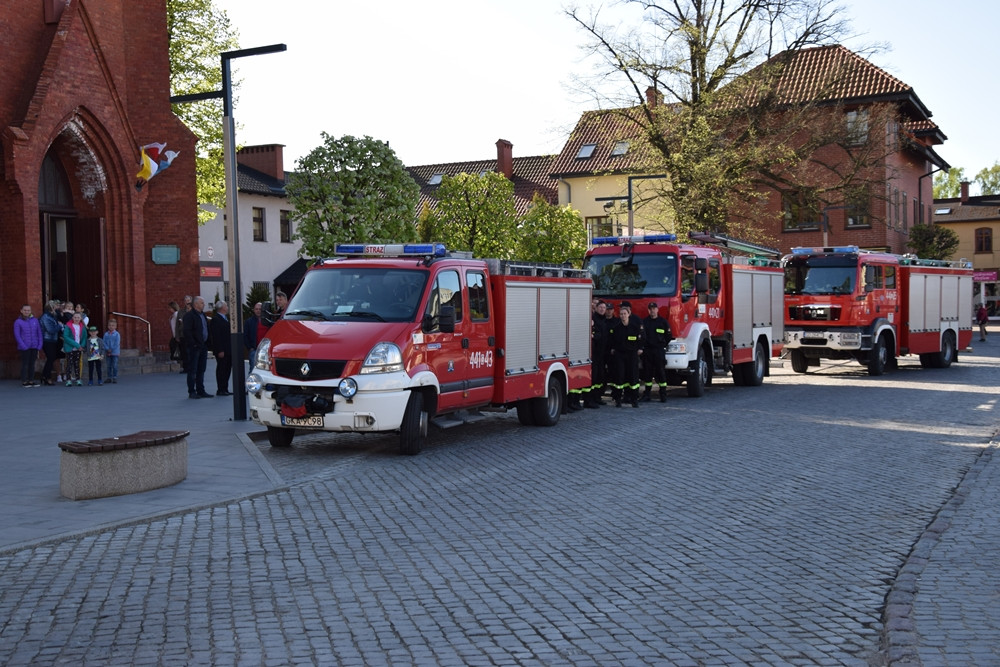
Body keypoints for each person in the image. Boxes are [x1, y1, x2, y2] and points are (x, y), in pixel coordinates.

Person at [609, 301, 643, 408]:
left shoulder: (634, 327)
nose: (623, 316)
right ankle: (618, 399)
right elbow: (612, 340)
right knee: (619, 377)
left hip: (632, 355)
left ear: (629, 314)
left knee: (633, 377)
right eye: (621, 314)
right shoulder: (616, 327)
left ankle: (634, 400)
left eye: (625, 314)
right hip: (620, 355)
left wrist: (640, 348)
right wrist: (613, 349)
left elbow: (641, 339)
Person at [641, 302, 672, 403]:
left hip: (659, 350)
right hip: (648, 350)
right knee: (647, 374)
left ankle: (663, 395)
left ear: (657, 310)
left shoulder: (663, 322)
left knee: (661, 373)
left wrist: (662, 344)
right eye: (650, 309)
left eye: (654, 309)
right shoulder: (645, 322)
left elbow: (668, 336)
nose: (652, 311)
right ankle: (647, 394)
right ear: (648, 310)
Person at [182, 296, 212, 398]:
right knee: (192, 369)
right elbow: (187, 331)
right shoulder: (189, 316)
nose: (204, 304)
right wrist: (193, 343)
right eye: (202, 303)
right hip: (194, 347)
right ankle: (192, 391)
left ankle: (201, 390)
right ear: (196, 304)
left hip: (203, 345)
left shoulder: (202, 315)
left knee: (201, 369)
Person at [584, 300, 610, 409]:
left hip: (602, 354)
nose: (602, 309)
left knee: (600, 377)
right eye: (600, 307)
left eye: (604, 308)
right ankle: (588, 400)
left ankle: (597, 398)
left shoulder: (604, 320)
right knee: (593, 378)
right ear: (596, 308)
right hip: (594, 354)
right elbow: (593, 335)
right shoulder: (593, 320)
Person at [14, 304, 43, 387]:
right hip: (24, 347)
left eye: (28, 310)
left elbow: (39, 333)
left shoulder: (35, 320)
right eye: (25, 310)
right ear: (21, 311)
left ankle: (31, 380)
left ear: (30, 311)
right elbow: (17, 335)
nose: (27, 312)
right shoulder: (18, 321)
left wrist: (39, 345)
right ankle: (24, 381)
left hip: (34, 345)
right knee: (25, 364)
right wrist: (23, 345)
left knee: (32, 364)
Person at [209, 300, 232, 396]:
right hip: (222, 350)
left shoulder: (225, 318)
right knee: (221, 369)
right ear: (222, 308)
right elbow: (216, 336)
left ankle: (225, 388)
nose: (227, 307)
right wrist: (220, 350)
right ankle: (220, 389)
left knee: (227, 369)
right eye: (226, 306)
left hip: (228, 349)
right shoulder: (216, 319)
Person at [39, 300, 63, 385]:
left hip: (53, 340)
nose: (58, 307)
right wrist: (59, 326)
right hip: (47, 340)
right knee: (51, 358)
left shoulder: (53, 316)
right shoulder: (46, 317)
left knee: (51, 358)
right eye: (56, 306)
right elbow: (51, 330)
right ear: (51, 307)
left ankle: (45, 376)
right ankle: (46, 377)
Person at [62, 311, 86, 386]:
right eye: (75, 317)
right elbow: (66, 337)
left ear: (80, 318)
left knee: (77, 364)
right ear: (72, 318)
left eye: (78, 317)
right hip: (70, 348)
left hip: (78, 348)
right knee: (69, 364)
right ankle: (68, 379)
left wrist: (81, 345)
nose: (76, 319)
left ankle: (78, 378)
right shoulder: (68, 326)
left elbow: (84, 337)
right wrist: (76, 345)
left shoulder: (82, 326)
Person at [175, 295, 192, 373]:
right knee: (184, 352)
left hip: (191, 336)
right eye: (185, 301)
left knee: (190, 352)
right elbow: (177, 325)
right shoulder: (181, 312)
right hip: (182, 335)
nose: (187, 302)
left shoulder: (193, 311)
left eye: (188, 301)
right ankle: (185, 368)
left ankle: (191, 367)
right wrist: (177, 335)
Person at [103, 318, 121, 383]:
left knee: (115, 365)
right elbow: (104, 342)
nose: (111, 327)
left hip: (115, 352)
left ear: (115, 326)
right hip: (108, 352)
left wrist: (111, 349)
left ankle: (115, 377)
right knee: (108, 365)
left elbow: (117, 343)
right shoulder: (106, 334)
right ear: (108, 326)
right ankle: (109, 377)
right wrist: (107, 348)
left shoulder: (117, 334)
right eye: (110, 325)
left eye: (113, 325)